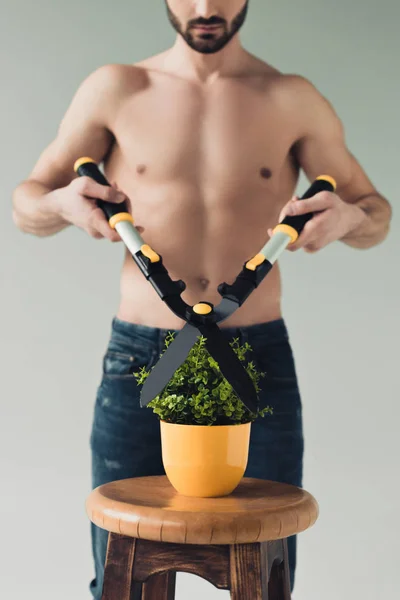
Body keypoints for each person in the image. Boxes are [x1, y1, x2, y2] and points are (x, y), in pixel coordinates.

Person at [12, 0, 392, 596]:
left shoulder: (291, 98)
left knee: (267, 579)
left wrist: (346, 218)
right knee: (121, 574)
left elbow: (377, 215)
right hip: (143, 355)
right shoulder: (116, 89)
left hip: (254, 356)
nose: (207, 8)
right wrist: (61, 204)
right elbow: (26, 204)